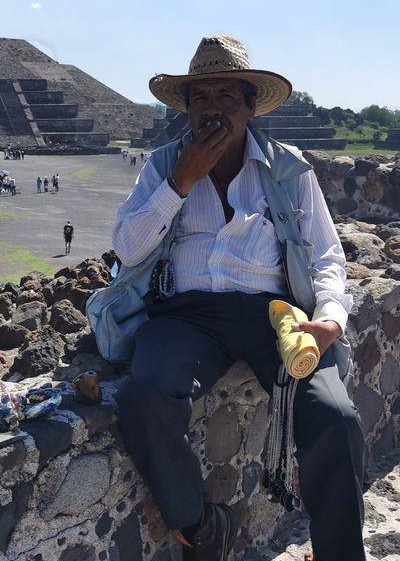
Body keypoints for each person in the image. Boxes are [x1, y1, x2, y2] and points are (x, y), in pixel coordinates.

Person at [112, 36, 363, 561]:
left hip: (272, 315)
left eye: (227, 95)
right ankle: (201, 524)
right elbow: (128, 248)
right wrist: (179, 183)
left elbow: (326, 255)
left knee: (335, 417)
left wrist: (329, 319)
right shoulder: (162, 165)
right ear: (185, 109)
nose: (213, 109)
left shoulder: (289, 169)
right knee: (144, 395)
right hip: (186, 317)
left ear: (251, 106)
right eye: (200, 98)